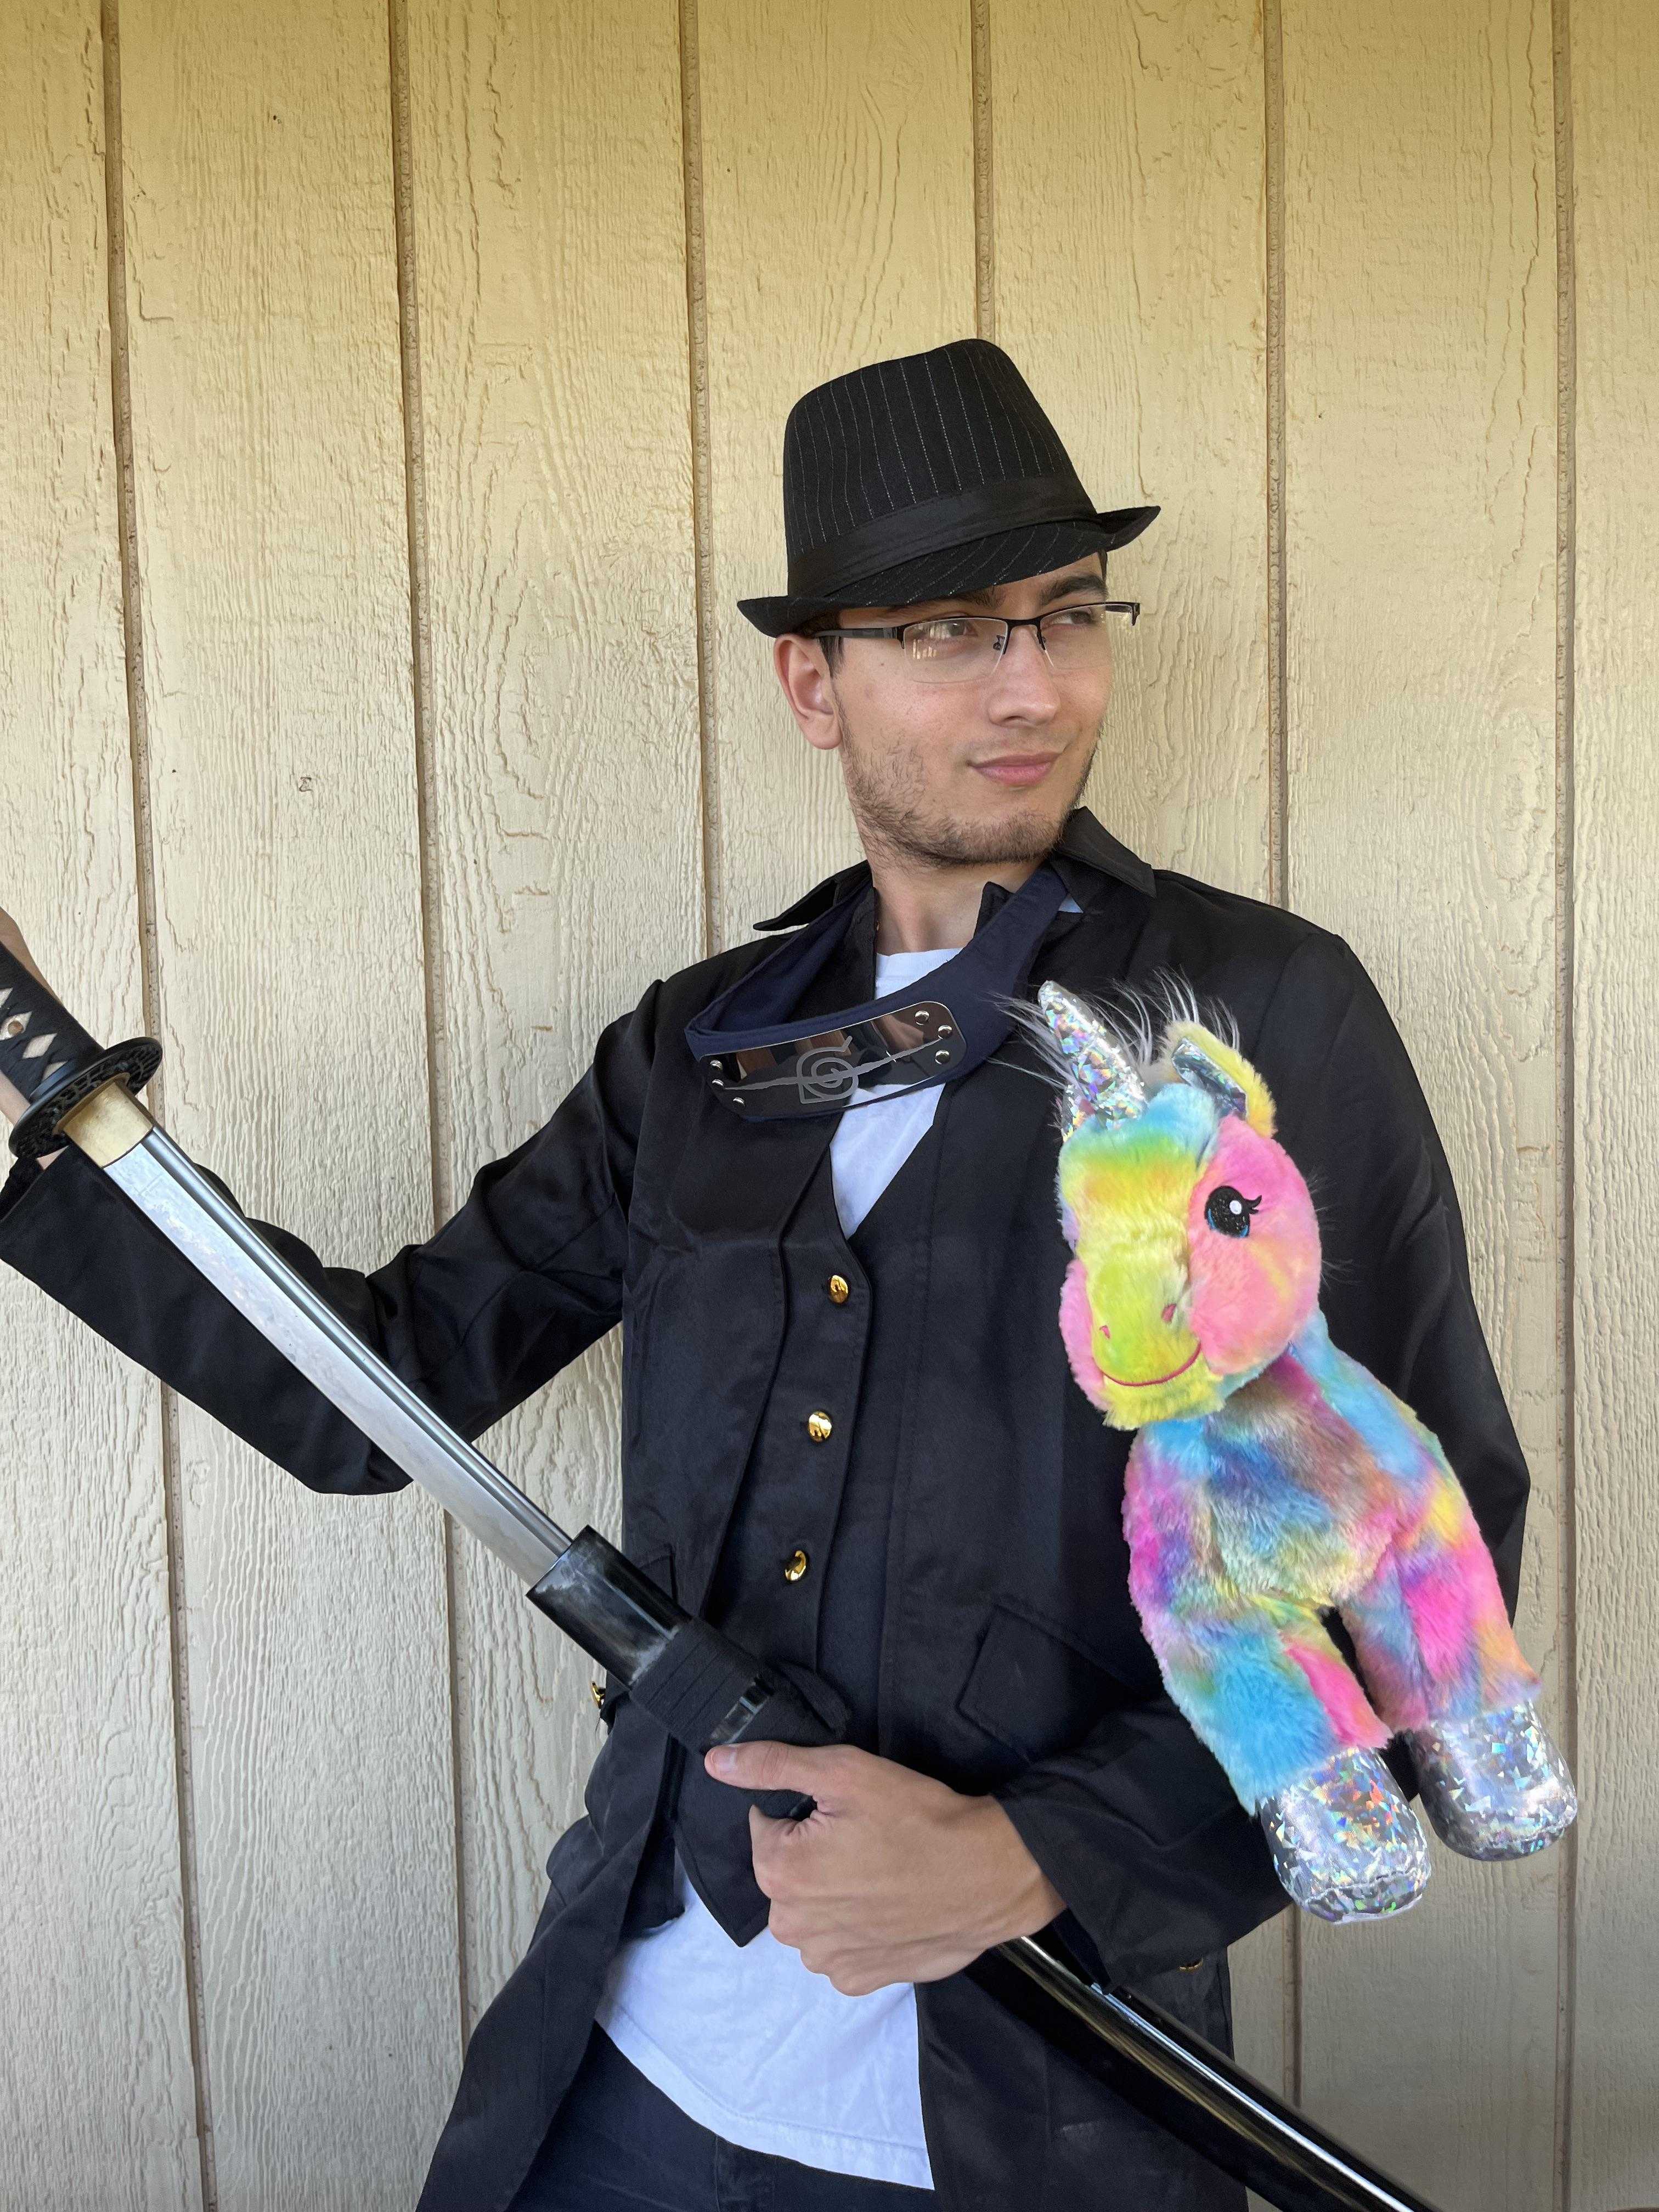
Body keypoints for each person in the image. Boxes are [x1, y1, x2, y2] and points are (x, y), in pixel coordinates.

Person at [0, 338, 1533, 2211]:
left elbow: (1407, 1525)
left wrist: (1049, 1850)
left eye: (1066, 615)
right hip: (627, 2066)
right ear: (814, 681)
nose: (1034, 684)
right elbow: (379, 1392)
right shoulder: (700, 1052)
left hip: (1030, 2101)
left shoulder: (1256, 1017)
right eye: (957, 628)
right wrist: (63, 1122)